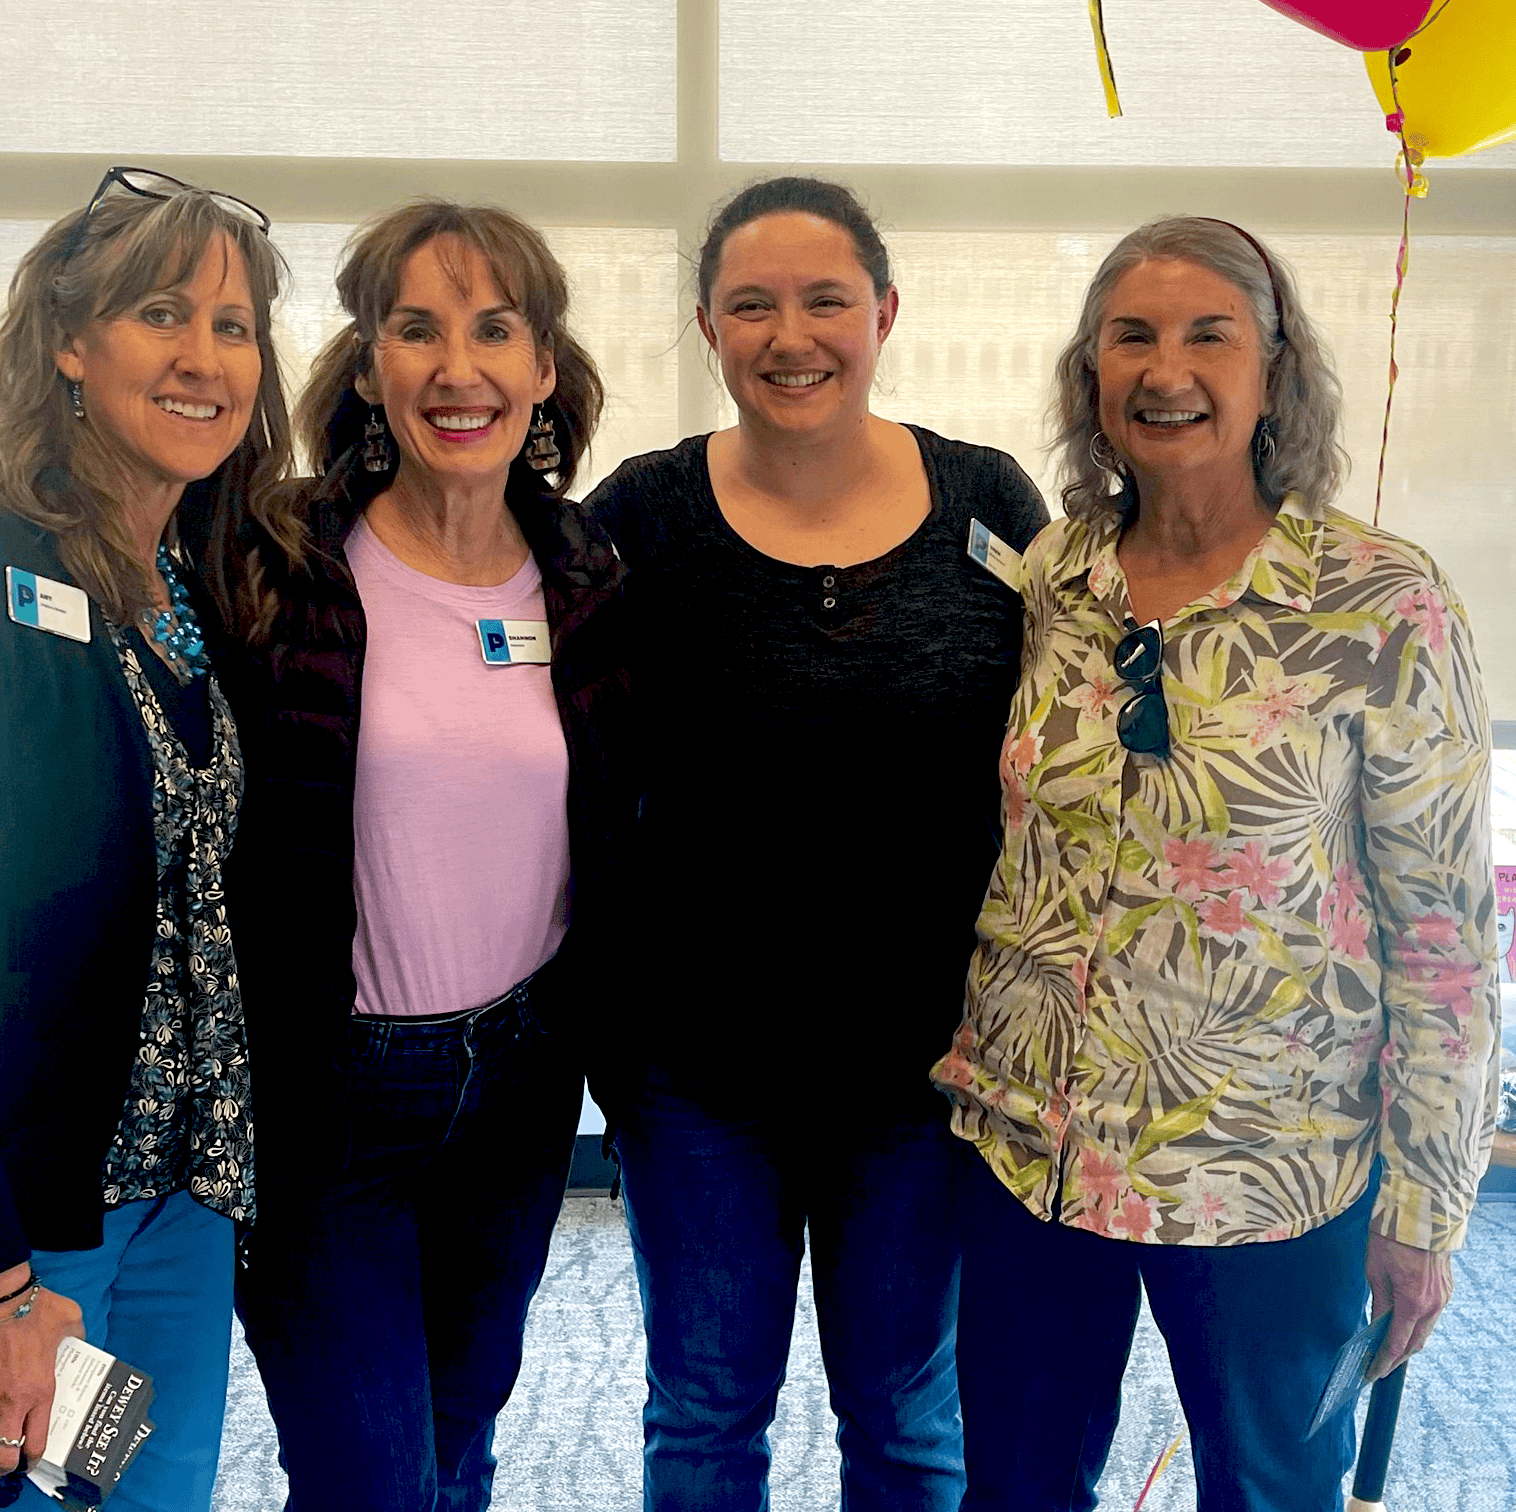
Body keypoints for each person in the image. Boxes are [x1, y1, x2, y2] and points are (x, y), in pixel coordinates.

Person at [937, 216, 1500, 1512]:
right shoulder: (1053, 579)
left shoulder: (1382, 605)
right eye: (1129, 336)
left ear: (1274, 373)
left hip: (1268, 1165)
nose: (1164, 368)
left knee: (1269, 1491)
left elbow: (1445, 935)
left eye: (1208, 334)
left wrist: (1427, 1203)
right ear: (1092, 374)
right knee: (1014, 1487)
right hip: (1035, 1144)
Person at [585, 175, 1050, 1512]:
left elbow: (1068, 741)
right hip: (697, 1077)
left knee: (907, 1419)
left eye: (826, 300)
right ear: (706, 328)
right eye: (752, 305)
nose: (792, 336)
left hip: (921, 1075)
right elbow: (565, 767)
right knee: (707, 1413)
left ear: (886, 312)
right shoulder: (643, 518)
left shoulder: (987, 501)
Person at [0, 168, 289, 1511]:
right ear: (69, 345)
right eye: (163, 314)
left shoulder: (187, 586)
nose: (205, 358)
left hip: (175, 1209)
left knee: (155, 1501)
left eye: (235, 325)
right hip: (6, 1220)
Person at [206, 199, 630, 1512]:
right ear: (372, 361)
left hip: (515, 1080)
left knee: (459, 1436)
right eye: (418, 329)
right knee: (369, 1477)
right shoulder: (276, 559)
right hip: (328, 1097)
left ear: (544, 367)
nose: (459, 369)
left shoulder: (583, 574)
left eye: (494, 330)